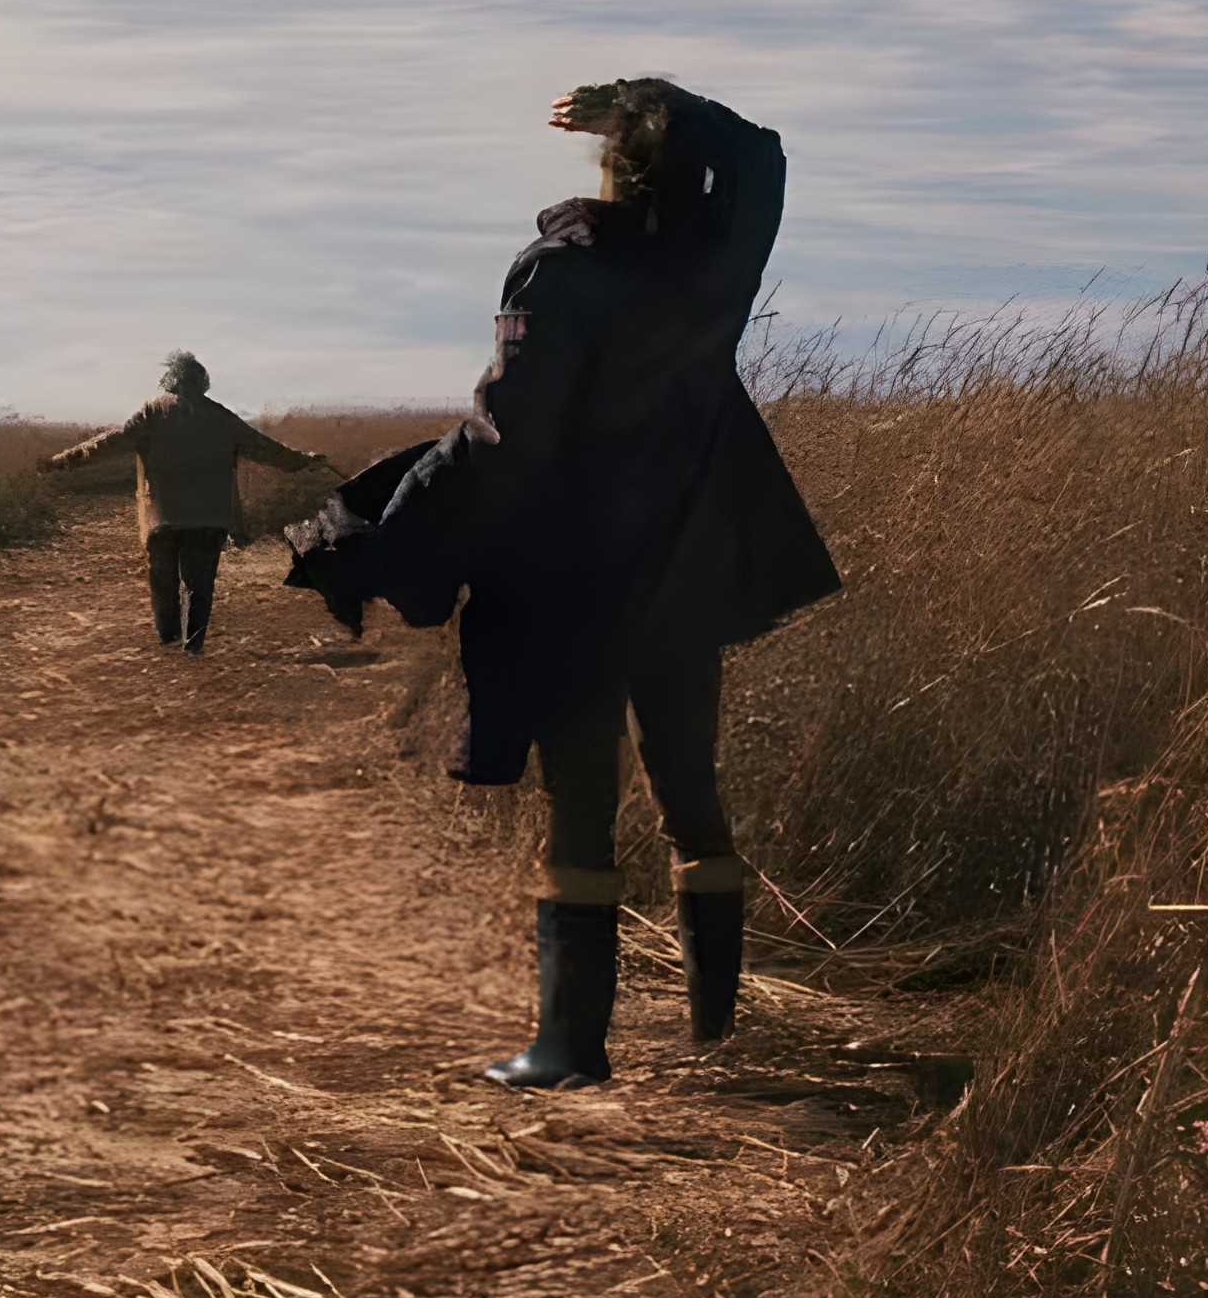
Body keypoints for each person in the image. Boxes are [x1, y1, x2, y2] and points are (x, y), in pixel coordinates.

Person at [284, 80, 839, 1087]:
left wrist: (395, 515)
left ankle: (569, 1046)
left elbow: (508, 435)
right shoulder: (712, 267)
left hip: (572, 574)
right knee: (690, 788)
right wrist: (649, 98)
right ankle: (712, 1030)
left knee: (581, 802)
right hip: (683, 569)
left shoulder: (559, 269)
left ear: (608, 165)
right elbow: (760, 154)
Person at [41, 353, 332, 655]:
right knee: (199, 584)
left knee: (163, 581)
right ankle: (193, 646)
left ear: (169, 381)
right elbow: (265, 449)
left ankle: (169, 639)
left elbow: (108, 443)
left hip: (161, 518)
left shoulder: (152, 414)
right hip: (208, 518)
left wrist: (62, 461)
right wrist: (305, 460)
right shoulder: (220, 417)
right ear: (202, 383)